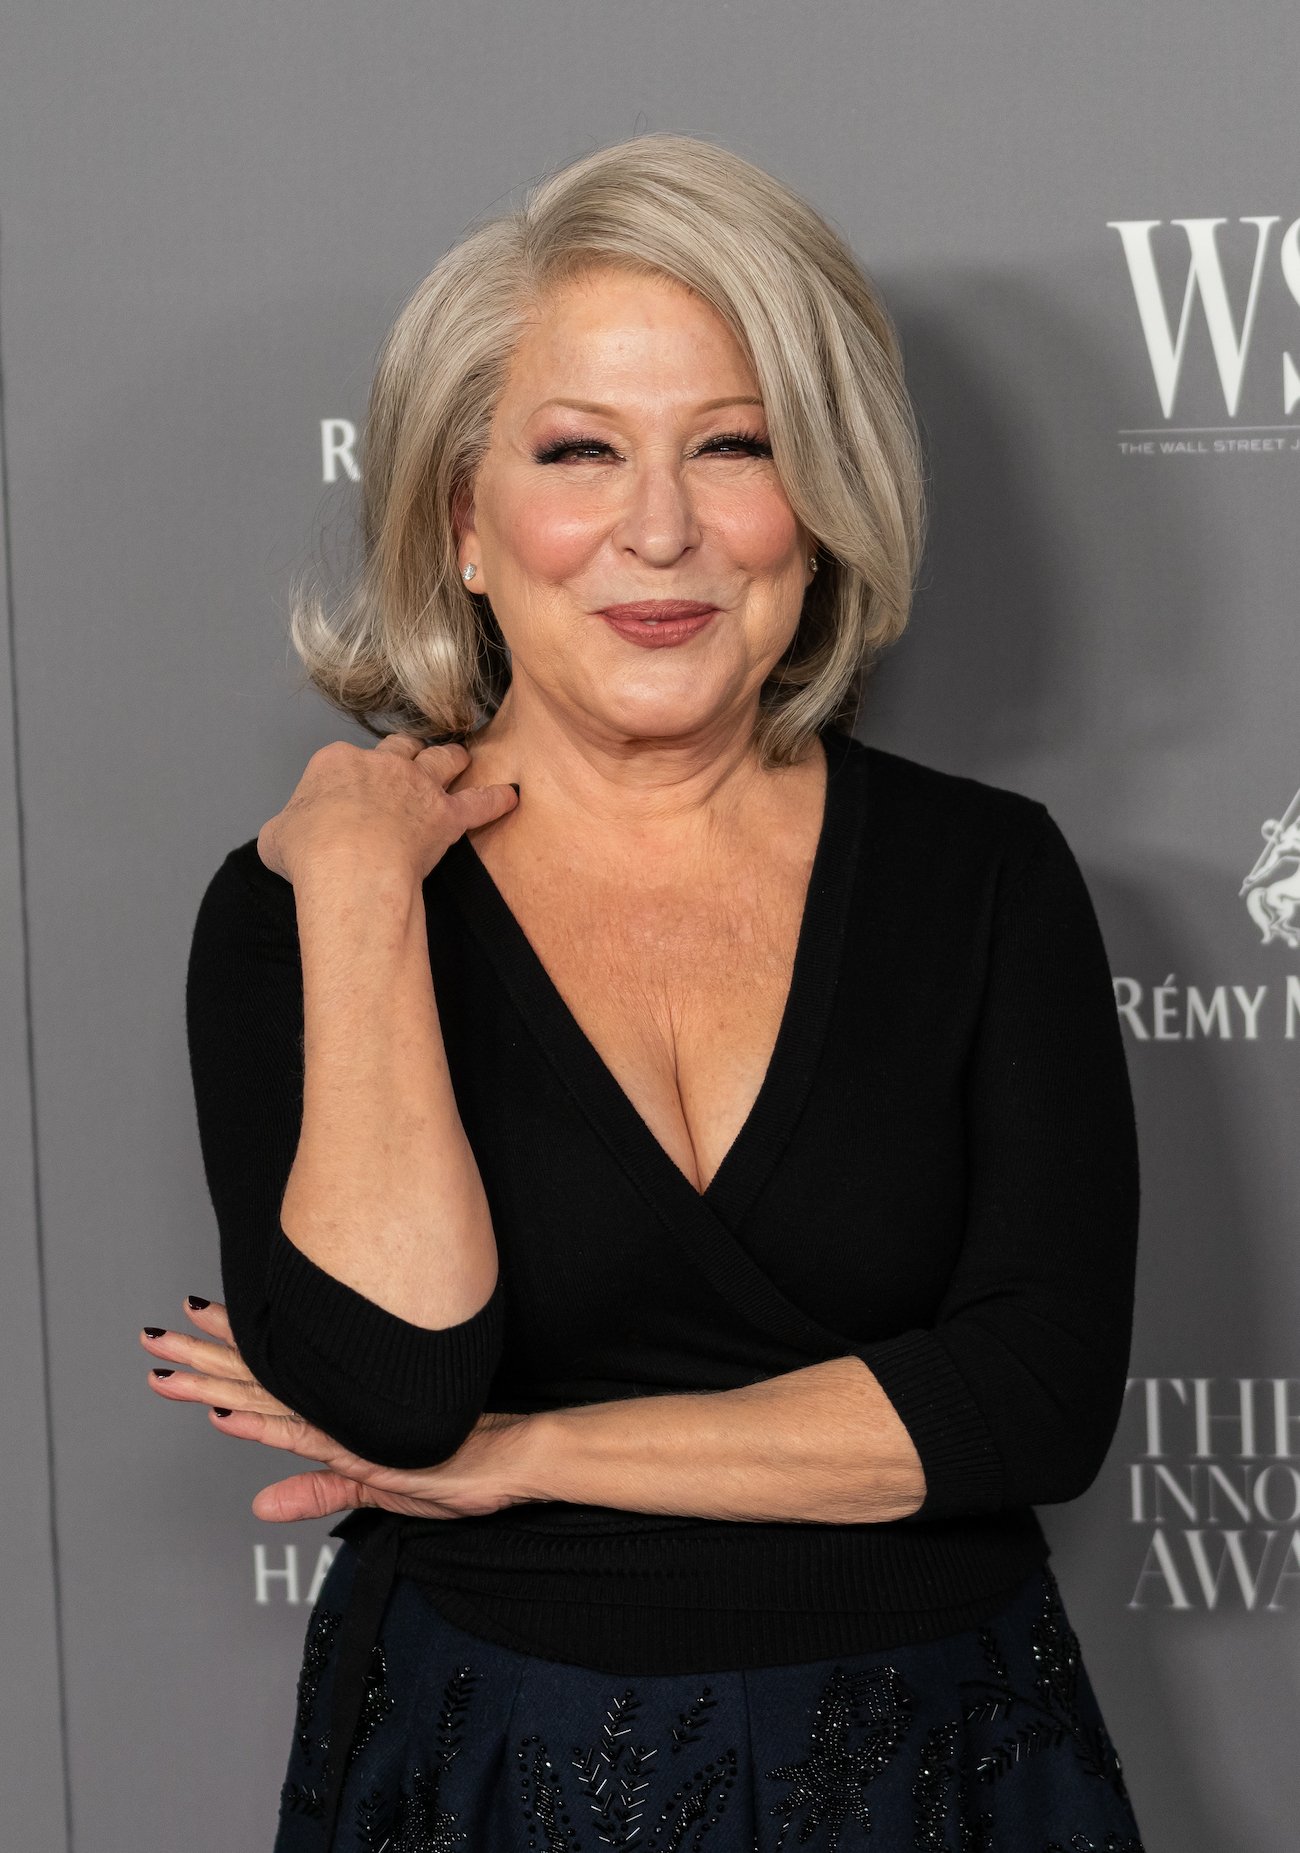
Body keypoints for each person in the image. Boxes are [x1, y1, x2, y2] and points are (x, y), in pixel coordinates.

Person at [148, 133, 1146, 1849]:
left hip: (944, 1769)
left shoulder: (988, 879)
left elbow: (1034, 1401)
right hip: (482, 1764)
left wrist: (527, 1457)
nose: (662, 528)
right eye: (580, 450)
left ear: (818, 505)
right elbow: (393, 1385)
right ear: (464, 520)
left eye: (733, 444)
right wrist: (377, 886)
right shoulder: (301, 912)